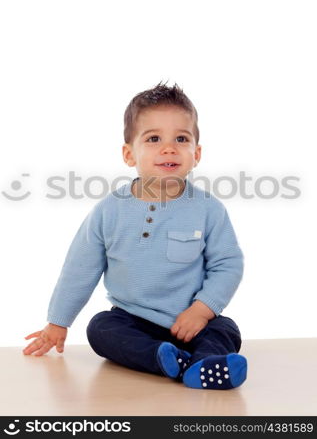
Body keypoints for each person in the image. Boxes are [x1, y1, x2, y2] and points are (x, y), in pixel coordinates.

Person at [23, 82, 247, 390]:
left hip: (191, 321)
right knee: (100, 328)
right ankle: (166, 359)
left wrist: (201, 310)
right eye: (154, 138)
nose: (169, 148)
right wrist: (57, 323)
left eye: (181, 139)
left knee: (226, 329)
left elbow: (228, 264)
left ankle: (204, 364)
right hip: (131, 320)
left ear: (196, 154)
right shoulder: (110, 210)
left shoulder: (209, 209)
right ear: (129, 154)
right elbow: (80, 268)